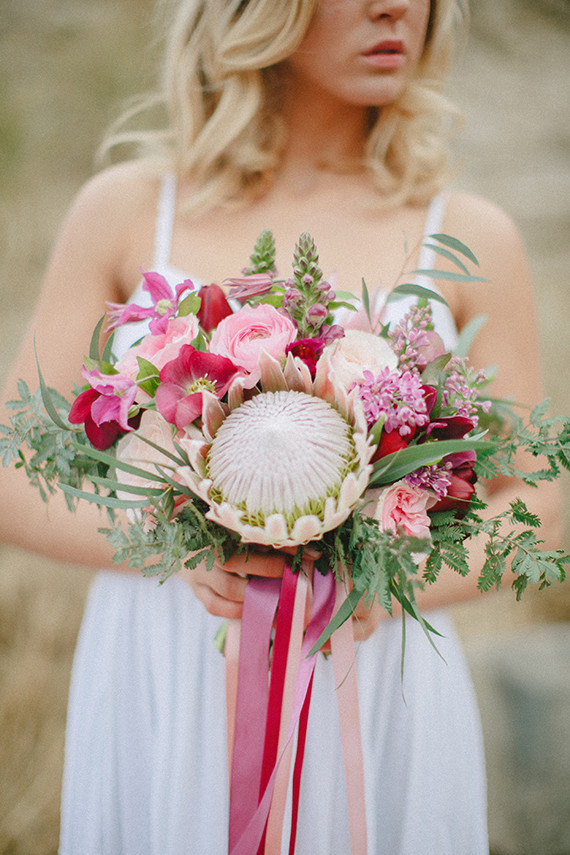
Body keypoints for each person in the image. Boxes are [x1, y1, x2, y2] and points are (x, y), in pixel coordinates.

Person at [0, 0, 561, 852]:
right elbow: (13, 473)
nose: (398, 8)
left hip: (372, 670)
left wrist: (380, 583)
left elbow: (539, 504)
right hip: (167, 659)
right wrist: (177, 546)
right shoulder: (125, 209)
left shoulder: (473, 233)